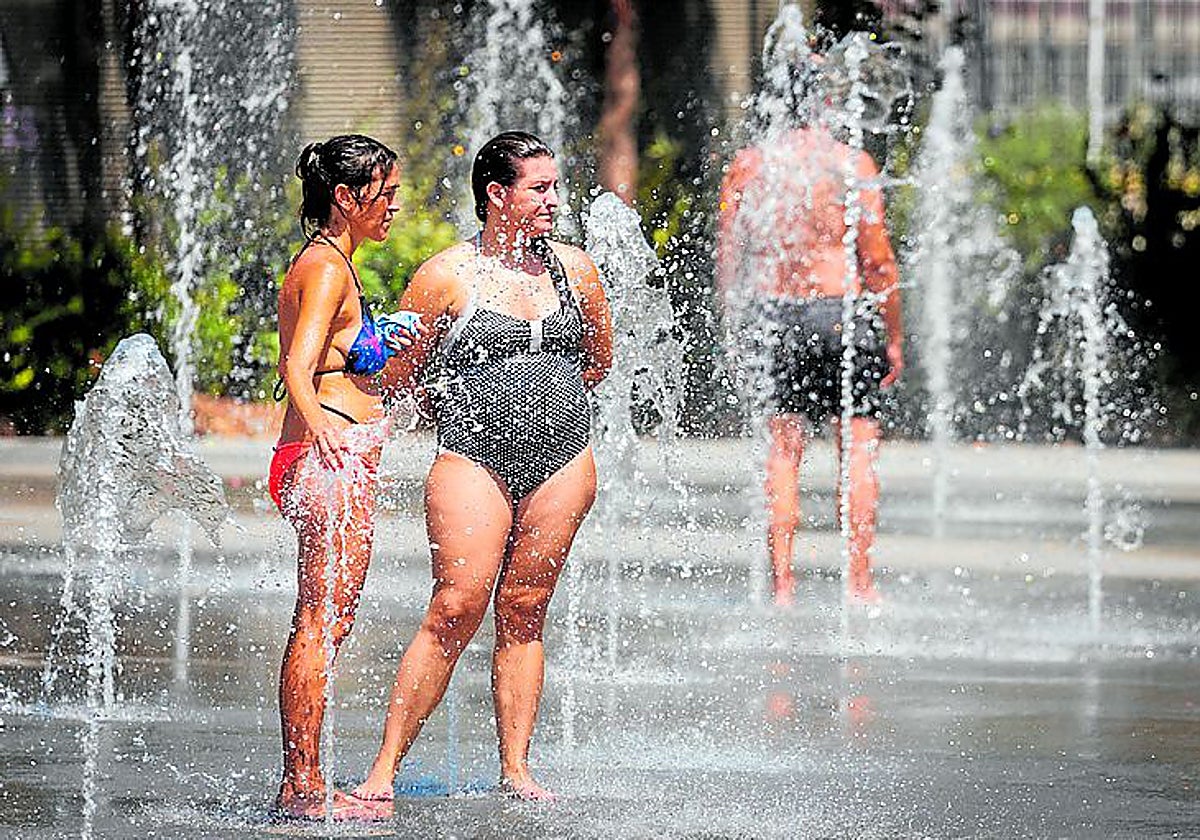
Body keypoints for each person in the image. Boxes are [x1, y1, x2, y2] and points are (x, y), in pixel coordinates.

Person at [351, 130, 612, 805]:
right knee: (455, 607)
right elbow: (395, 379)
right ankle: (383, 771)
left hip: (563, 457)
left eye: (556, 186)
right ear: (498, 195)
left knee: (525, 611)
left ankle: (517, 769)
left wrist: (542, 402)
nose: (555, 199)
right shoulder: (446, 275)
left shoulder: (576, 271)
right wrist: (365, 354)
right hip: (474, 457)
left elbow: (597, 362)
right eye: (540, 188)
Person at [269, 134, 417, 821]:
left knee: (328, 618)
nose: (394, 206)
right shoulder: (327, 266)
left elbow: (331, 356)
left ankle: (303, 780)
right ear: (345, 198)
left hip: (331, 453)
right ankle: (302, 786)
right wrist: (323, 425)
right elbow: (298, 366)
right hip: (328, 455)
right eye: (384, 195)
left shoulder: (330, 263)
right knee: (322, 618)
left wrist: (375, 342)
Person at [716, 69, 903, 607]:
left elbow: (730, 257)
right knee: (859, 450)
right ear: (825, 104)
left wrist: (734, 325)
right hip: (844, 312)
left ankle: (781, 586)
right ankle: (861, 584)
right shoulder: (852, 165)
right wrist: (894, 334)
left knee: (782, 451)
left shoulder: (749, 167)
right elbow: (878, 260)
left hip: (780, 315)